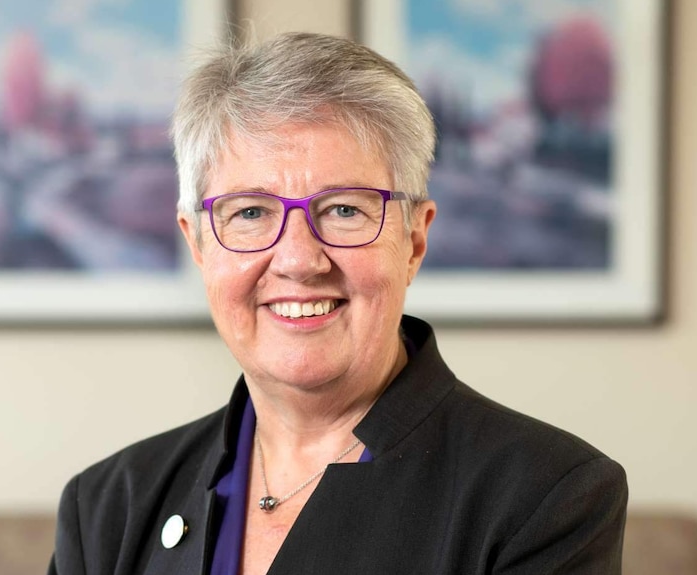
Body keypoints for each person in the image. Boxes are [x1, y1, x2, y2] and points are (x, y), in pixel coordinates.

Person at [48, 32, 627, 575]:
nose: (300, 260)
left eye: (345, 210)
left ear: (414, 241)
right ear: (197, 243)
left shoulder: (548, 496)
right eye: (250, 212)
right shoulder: (107, 506)